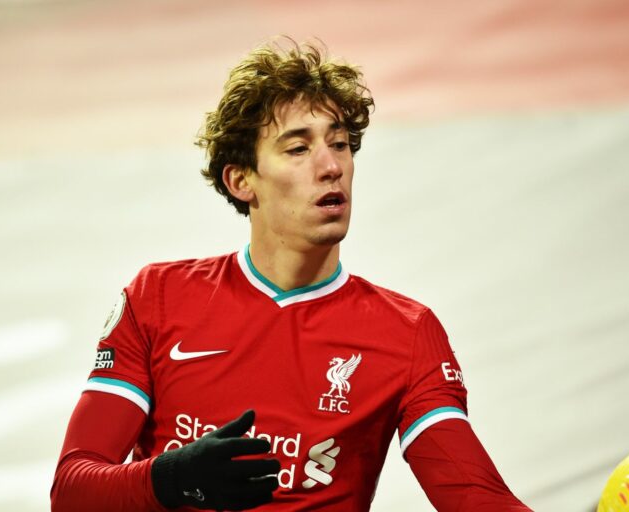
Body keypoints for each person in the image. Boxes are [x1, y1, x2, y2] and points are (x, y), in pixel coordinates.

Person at [51, 39, 533, 512]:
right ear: (241, 181)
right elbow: (72, 491)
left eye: (340, 145)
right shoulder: (157, 297)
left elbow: (475, 497)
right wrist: (173, 479)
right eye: (298, 148)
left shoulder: (407, 333)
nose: (331, 167)